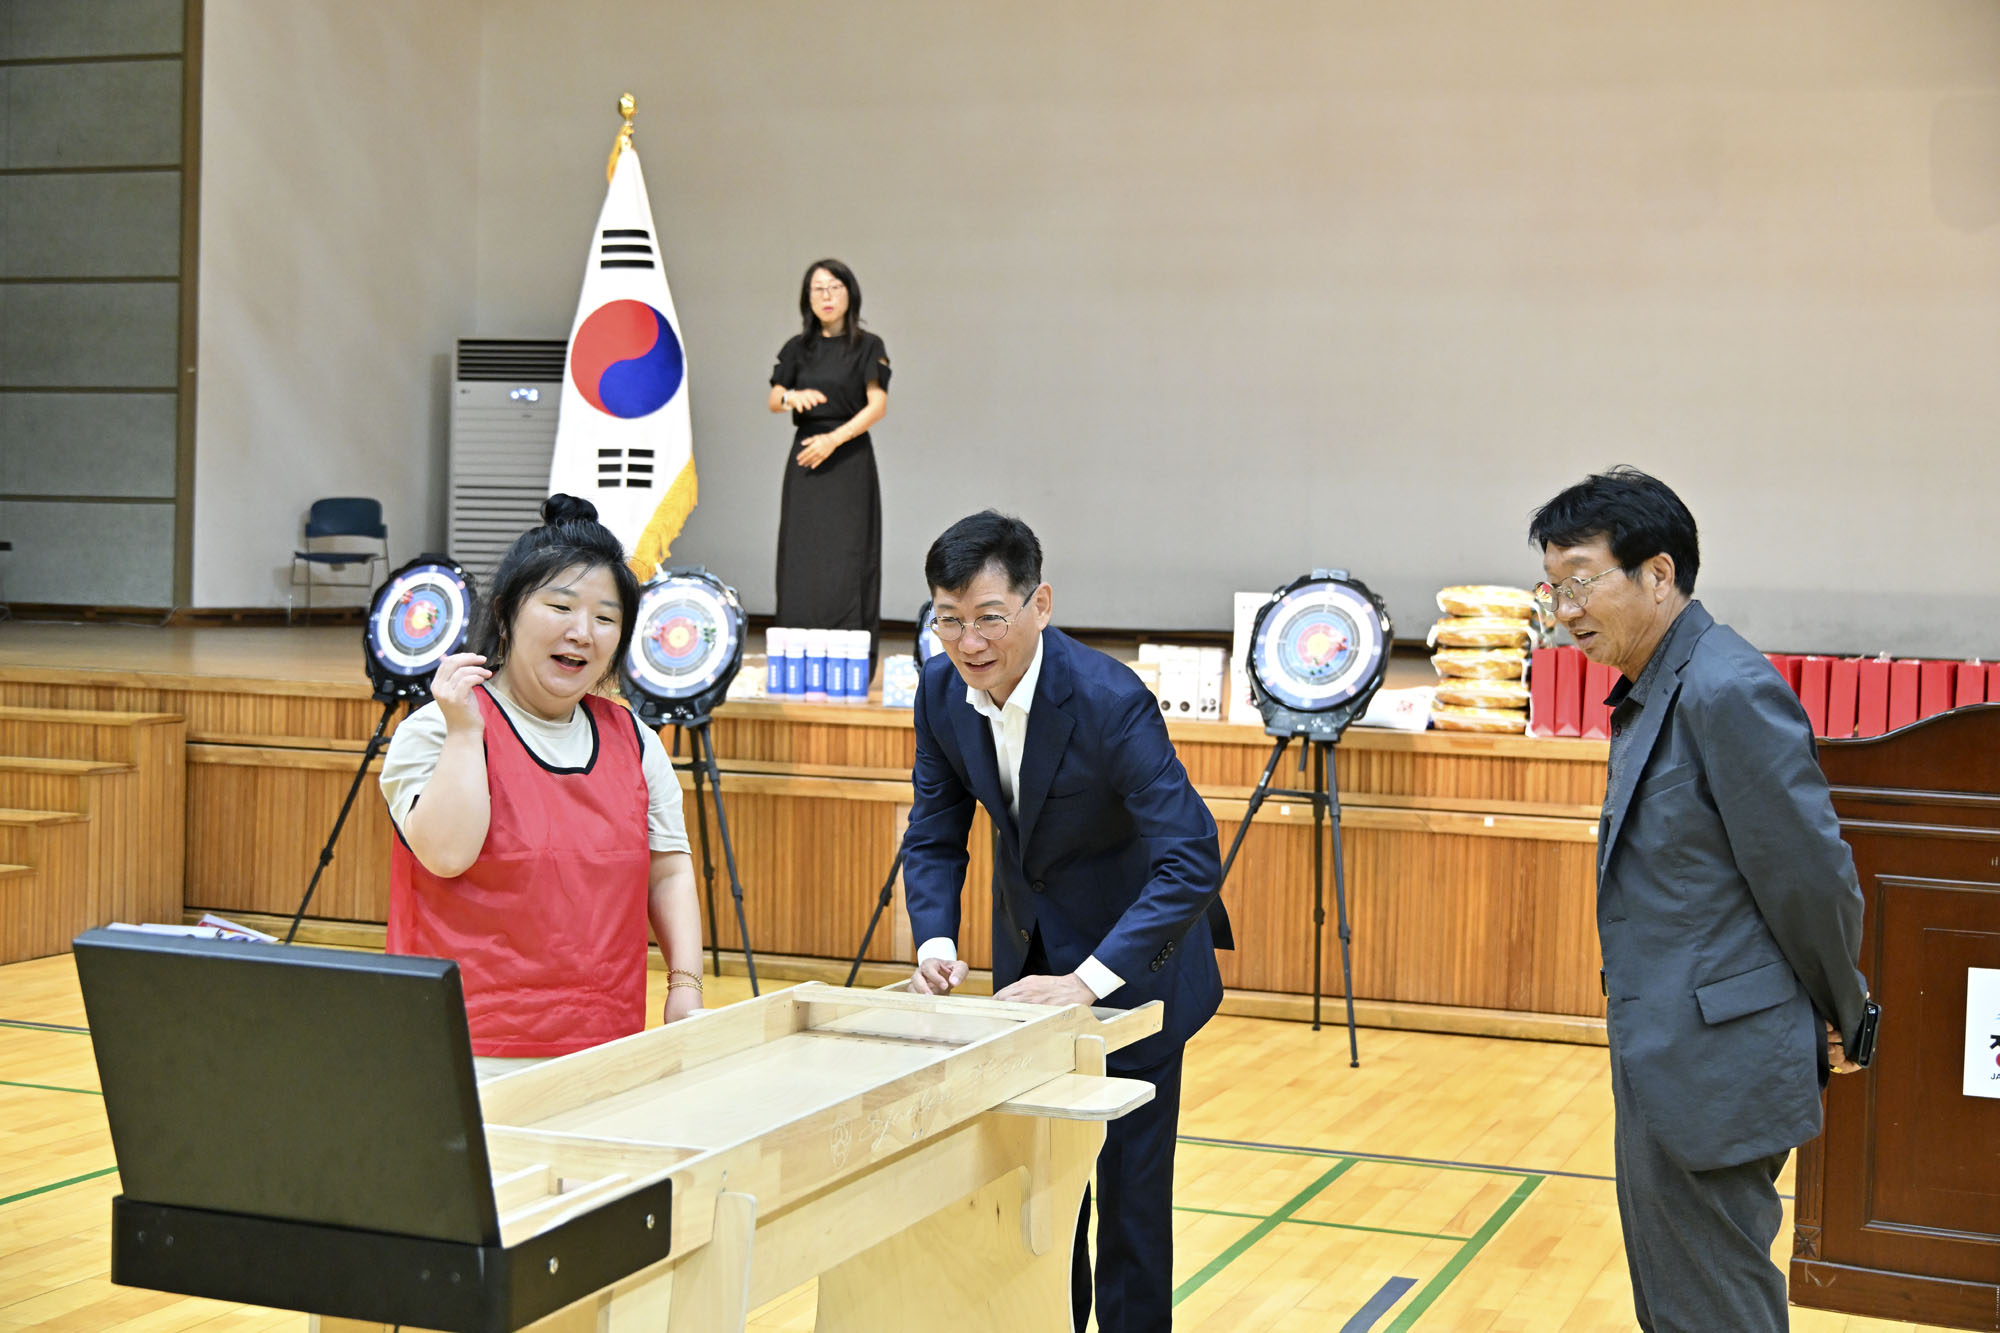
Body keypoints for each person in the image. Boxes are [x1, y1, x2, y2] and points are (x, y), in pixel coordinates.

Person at [1529, 467, 1871, 1332]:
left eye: (1580, 581)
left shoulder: (1725, 687)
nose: (1564, 610)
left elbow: (1810, 877)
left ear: (1658, 573)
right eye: (1553, 588)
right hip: (1672, 1052)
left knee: (1713, 1309)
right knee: (1677, 1304)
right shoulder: (1657, 686)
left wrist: (1843, 1010)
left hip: (1719, 1064)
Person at [901, 510, 1231, 1333]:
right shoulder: (940, 691)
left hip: (1137, 968)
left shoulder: (1109, 700)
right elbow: (935, 829)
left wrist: (1088, 981)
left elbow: (1192, 855)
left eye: (988, 617)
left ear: (1039, 603)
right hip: (1029, 968)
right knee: (1039, 1195)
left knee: (1129, 1207)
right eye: (948, 620)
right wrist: (935, 938)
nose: (969, 643)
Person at [379, 494, 705, 1076]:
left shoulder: (634, 739)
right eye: (560, 607)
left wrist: (685, 986)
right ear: (505, 613)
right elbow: (447, 855)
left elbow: (669, 870)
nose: (582, 632)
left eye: (605, 618)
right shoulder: (436, 728)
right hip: (464, 1047)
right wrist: (464, 733)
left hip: (605, 1042)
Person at [767, 257, 889, 655]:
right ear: (808, 298)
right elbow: (774, 398)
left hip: (849, 457)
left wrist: (834, 440)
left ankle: (850, 656)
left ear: (850, 293)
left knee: (850, 556)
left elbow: (877, 406)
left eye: (835, 287)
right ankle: (796, 652)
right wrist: (792, 396)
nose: (827, 296)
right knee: (802, 553)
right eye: (818, 288)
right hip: (806, 458)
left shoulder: (869, 346)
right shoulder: (797, 347)